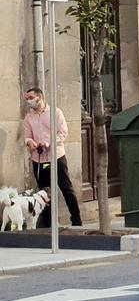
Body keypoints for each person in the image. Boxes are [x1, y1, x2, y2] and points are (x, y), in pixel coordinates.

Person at [21, 87, 82, 227]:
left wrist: (49, 143)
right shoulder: (29, 117)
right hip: (39, 159)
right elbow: (27, 136)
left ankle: (76, 219)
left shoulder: (56, 112)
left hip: (56, 157)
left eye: (30, 98)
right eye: (26, 99)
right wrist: (30, 142)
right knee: (44, 191)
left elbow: (63, 133)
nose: (28, 101)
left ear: (39, 98)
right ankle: (47, 222)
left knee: (66, 188)